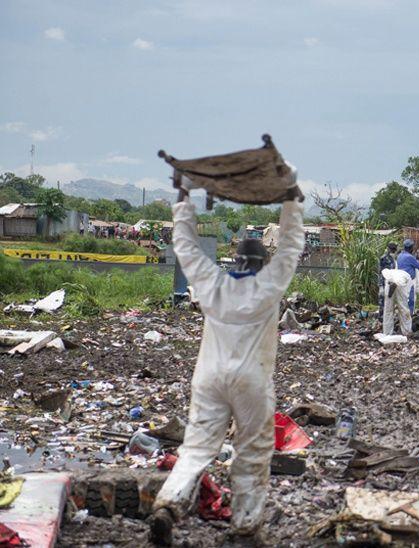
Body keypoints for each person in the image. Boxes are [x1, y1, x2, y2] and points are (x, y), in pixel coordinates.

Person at [148, 176, 305, 546]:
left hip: (208, 377)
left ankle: (167, 505)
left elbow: (185, 246)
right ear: (262, 262)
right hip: (251, 379)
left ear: (235, 259)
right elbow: (291, 244)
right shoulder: (270, 285)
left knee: (197, 447)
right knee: (252, 453)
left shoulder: (212, 283)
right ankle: (245, 528)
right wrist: (290, 201)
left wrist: (183, 200)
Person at [381, 267, 413, 336]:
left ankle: (388, 332)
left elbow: (405, 295)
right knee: (398, 308)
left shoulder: (405, 279)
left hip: (400, 283)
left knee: (401, 309)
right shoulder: (393, 276)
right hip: (392, 282)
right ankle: (406, 331)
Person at [397, 239, 419, 314]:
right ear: (411, 248)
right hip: (409, 282)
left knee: (403, 301)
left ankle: (403, 318)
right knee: (410, 301)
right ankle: (410, 318)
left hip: (400, 282)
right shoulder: (410, 257)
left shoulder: (399, 256)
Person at [378, 242, 398, 316]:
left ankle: (388, 317)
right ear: (389, 249)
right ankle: (381, 318)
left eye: (394, 250)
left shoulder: (395, 258)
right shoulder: (384, 258)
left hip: (392, 283)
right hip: (384, 282)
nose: (393, 251)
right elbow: (380, 272)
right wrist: (380, 286)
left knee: (390, 302)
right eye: (392, 250)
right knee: (382, 301)